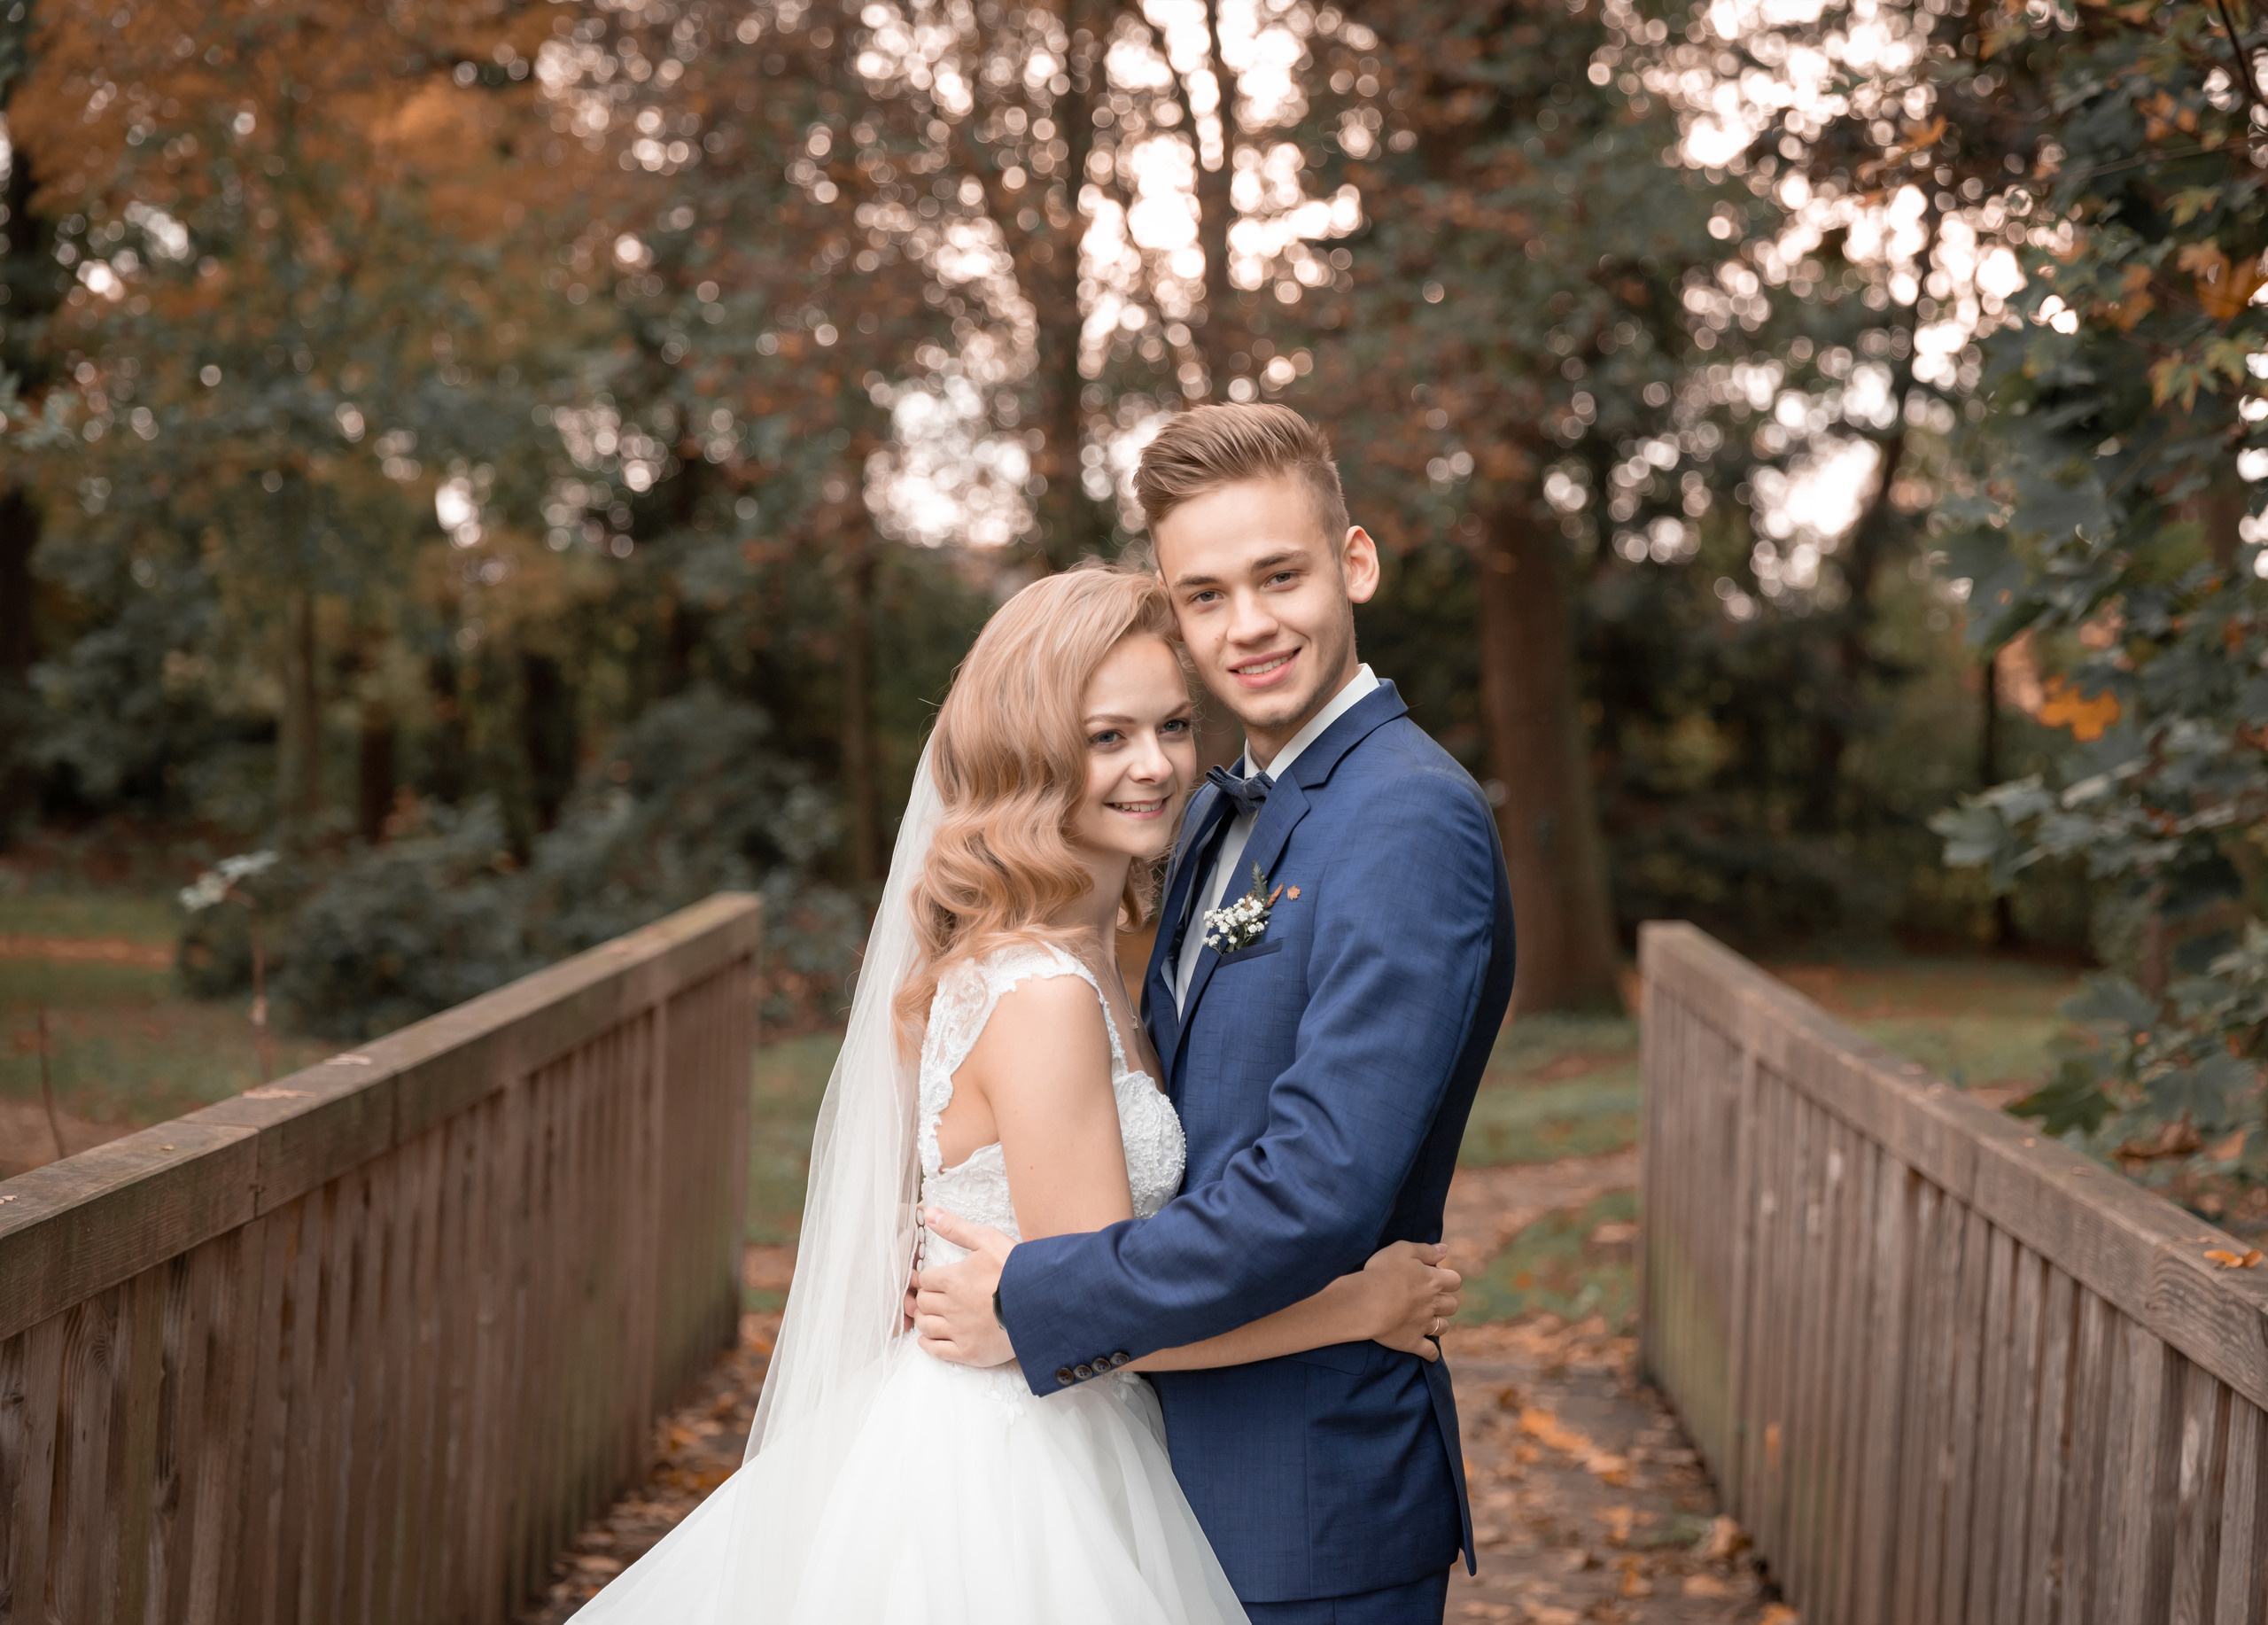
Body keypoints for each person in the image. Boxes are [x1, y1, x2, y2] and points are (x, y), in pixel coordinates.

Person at [565, 561, 1462, 1623]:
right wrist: (1361, 1304)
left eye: (1173, 726)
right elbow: (1108, 1318)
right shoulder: (1044, 995)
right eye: (1106, 738)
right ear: (1033, 757)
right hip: (1015, 1473)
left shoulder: (1066, 960)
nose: (1158, 767)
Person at [915, 404, 1518, 1625]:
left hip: (1309, 1498)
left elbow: (1318, 1184)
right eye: (1205, 594)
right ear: (1175, 612)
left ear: (1355, 564)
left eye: (1280, 576)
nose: (1247, 625)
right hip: (1157, 1479)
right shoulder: (1207, 817)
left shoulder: (1404, 818)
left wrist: (1039, 1300)